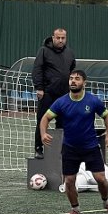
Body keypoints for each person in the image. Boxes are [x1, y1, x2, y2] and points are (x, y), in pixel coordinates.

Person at [40, 70, 108, 214]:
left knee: (101, 179)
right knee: (69, 181)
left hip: (90, 147)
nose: (73, 81)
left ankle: (106, 202)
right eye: (71, 78)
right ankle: (75, 209)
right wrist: (43, 133)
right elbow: (45, 118)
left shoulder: (92, 101)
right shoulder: (61, 102)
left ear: (84, 83)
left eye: (77, 79)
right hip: (70, 148)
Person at [32, 28, 76, 159]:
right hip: (47, 93)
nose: (60, 40)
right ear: (53, 38)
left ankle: (60, 150)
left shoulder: (69, 53)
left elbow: (72, 70)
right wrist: (39, 88)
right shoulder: (44, 51)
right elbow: (37, 69)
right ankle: (38, 149)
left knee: (62, 122)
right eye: (58, 38)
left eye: (63, 38)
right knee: (42, 120)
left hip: (64, 95)